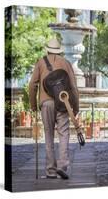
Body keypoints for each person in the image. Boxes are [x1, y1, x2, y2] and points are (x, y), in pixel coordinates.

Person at [29, 38, 79, 179]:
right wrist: (75, 107)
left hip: (46, 103)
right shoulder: (66, 63)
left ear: (47, 49)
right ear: (60, 50)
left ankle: (51, 170)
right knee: (64, 133)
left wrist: (33, 106)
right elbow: (73, 87)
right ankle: (62, 165)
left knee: (49, 135)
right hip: (63, 102)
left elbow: (32, 85)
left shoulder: (40, 63)